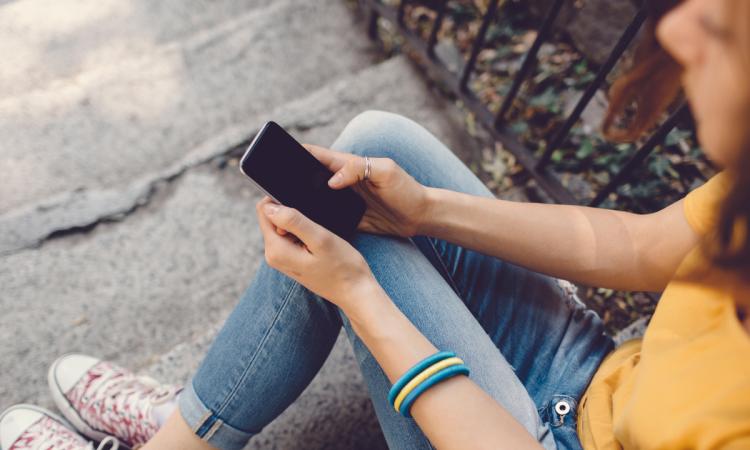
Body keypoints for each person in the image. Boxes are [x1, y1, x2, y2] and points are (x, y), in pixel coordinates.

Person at [2, 0, 748, 448]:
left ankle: (181, 434)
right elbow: (645, 245)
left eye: (719, 33)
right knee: (374, 148)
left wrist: (361, 295)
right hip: (595, 378)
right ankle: (192, 420)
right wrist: (426, 209)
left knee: (342, 236)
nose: (680, 42)